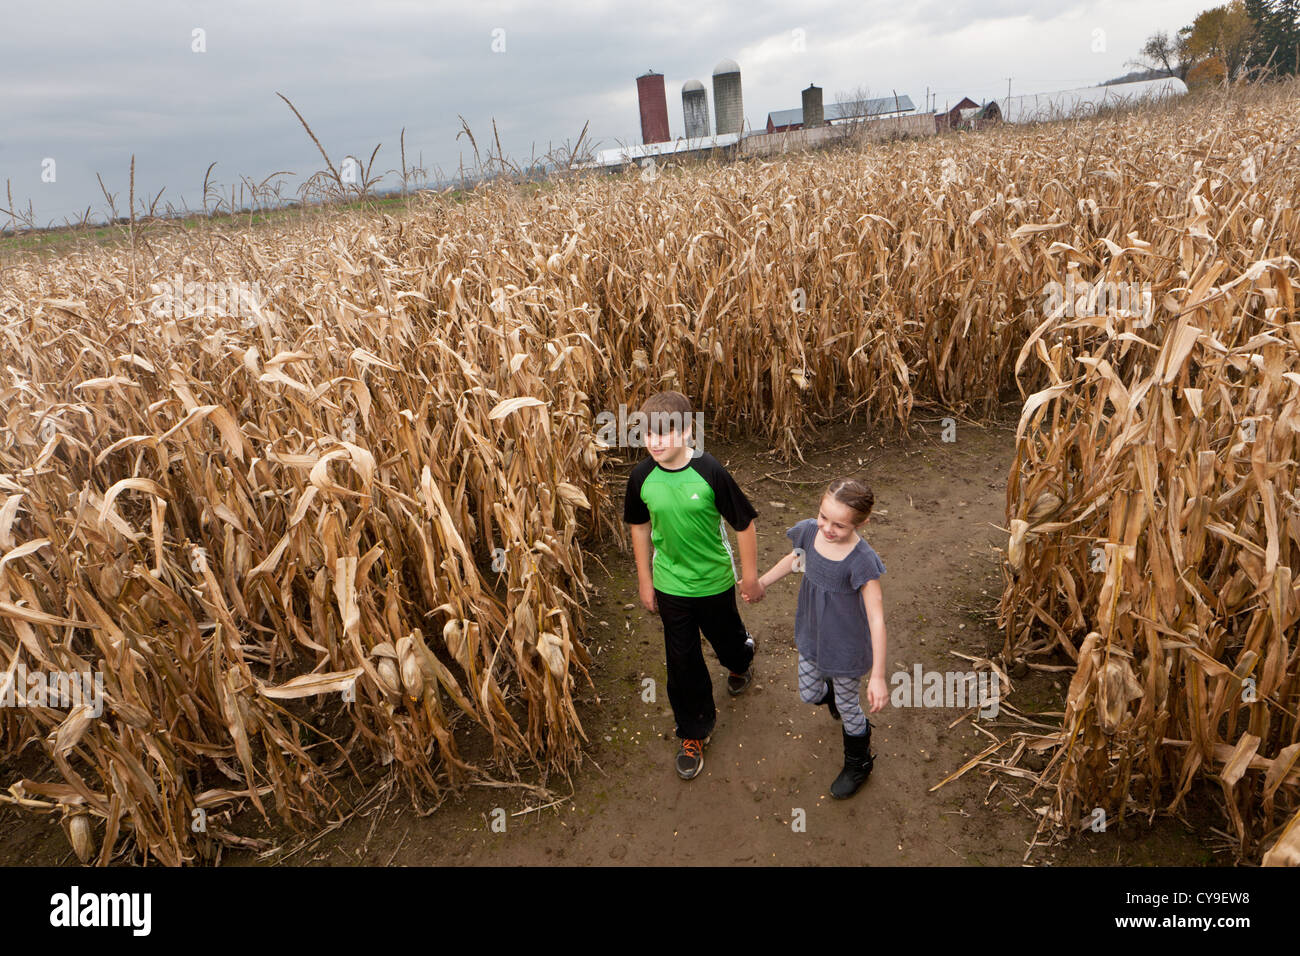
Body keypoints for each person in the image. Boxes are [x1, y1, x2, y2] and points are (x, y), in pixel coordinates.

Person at [623, 390, 763, 780]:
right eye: (648, 434)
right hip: (671, 585)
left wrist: (749, 577)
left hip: (714, 581)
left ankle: (740, 660)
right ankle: (693, 730)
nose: (655, 442)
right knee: (682, 661)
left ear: (688, 431)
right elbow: (639, 526)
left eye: (664, 433)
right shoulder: (641, 478)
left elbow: (744, 523)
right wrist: (645, 580)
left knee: (728, 642)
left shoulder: (710, 471)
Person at [758, 478, 888, 798]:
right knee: (809, 692)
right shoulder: (809, 531)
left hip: (845, 649)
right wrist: (762, 583)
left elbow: (876, 617)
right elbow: (796, 560)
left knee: (848, 707)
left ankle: (858, 762)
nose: (828, 528)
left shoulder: (861, 560)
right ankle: (831, 696)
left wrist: (879, 676)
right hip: (812, 634)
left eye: (840, 525)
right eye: (823, 517)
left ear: (862, 523)